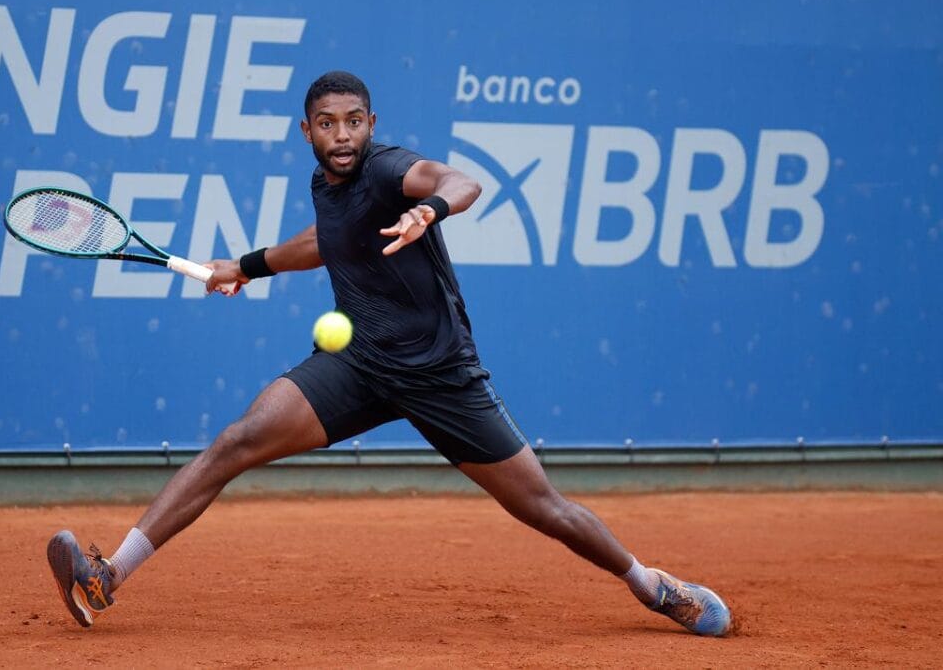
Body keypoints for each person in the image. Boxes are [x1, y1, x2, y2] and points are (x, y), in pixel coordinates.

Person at [46, 71, 731, 637]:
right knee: (237, 439)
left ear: (372, 123)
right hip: (359, 364)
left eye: (352, 121)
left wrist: (429, 209)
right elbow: (324, 241)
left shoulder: (388, 169)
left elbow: (460, 179)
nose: (341, 136)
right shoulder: (328, 186)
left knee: (543, 508)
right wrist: (248, 266)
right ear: (306, 130)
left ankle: (652, 584)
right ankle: (107, 577)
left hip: (441, 375)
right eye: (326, 123)